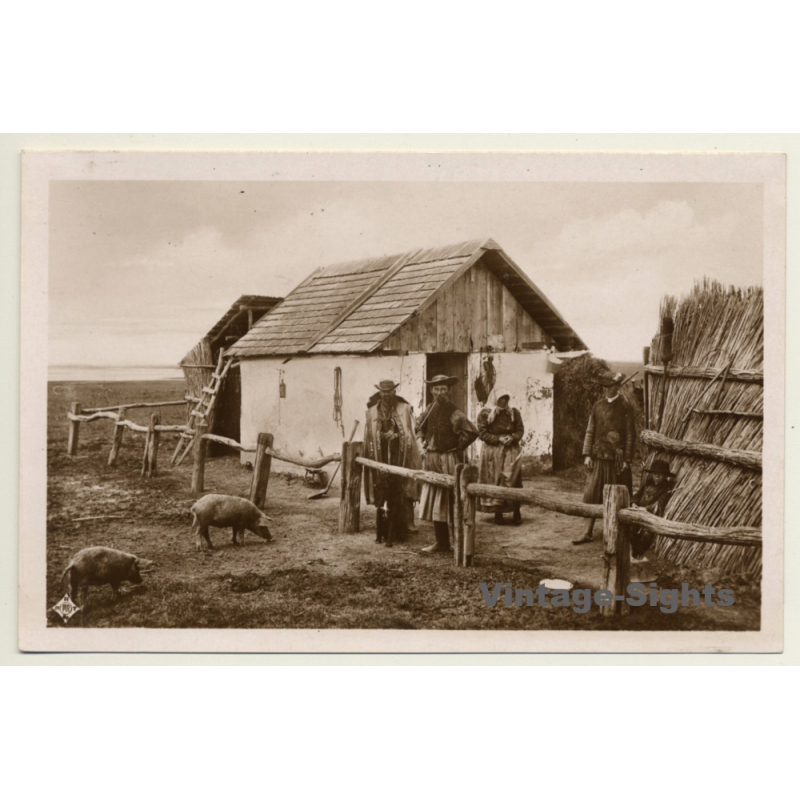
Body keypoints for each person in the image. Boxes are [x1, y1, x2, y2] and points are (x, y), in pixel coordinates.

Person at [416, 375, 479, 553]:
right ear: (431, 391)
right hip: (431, 459)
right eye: (436, 389)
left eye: (443, 389)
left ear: (449, 391)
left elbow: (472, 432)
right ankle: (441, 542)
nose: (439, 393)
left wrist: (457, 447)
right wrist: (421, 441)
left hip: (448, 460)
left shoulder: (455, 412)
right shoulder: (429, 409)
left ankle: (458, 542)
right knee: (435, 499)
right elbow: (419, 425)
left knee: (451, 499)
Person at [573, 370, 636, 545]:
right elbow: (590, 431)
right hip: (598, 457)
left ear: (617, 387)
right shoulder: (597, 406)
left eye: (610, 386)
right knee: (591, 493)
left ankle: (616, 534)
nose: (607, 390)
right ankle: (587, 532)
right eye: (605, 387)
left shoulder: (625, 407)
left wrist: (627, 460)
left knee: (617, 496)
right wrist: (587, 455)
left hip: (617, 460)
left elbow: (631, 435)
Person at [363, 379, 421, 547]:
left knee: (403, 486)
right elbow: (370, 435)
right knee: (382, 487)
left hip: (400, 455)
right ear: (380, 393)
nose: (387, 395)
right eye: (384, 392)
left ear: (395, 392)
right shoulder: (373, 411)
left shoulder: (404, 408)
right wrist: (381, 436)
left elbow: (411, 431)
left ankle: (407, 523)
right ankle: (383, 525)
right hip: (380, 455)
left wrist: (396, 436)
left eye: (390, 392)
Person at [476, 390, 524, 525]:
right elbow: (482, 433)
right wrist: (498, 439)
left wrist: (513, 437)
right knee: (495, 480)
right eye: (500, 399)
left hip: (511, 450)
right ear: (495, 399)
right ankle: (498, 512)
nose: (503, 402)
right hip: (492, 452)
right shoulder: (485, 414)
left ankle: (516, 511)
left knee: (513, 480)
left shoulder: (514, 413)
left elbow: (520, 429)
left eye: (506, 399)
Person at [630, 459, 675, 558]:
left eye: (660, 474)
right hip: (638, 512)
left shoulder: (666, 488)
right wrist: (634, 503)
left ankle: (639, 554)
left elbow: (660, 503)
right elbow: (638, 494)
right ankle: (632, 553)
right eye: (655, 473)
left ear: (665, 476)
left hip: (651, 516)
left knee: (645, 535)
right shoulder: (647, 483)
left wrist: (646, 509)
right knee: (631, 530)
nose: (657, 476)